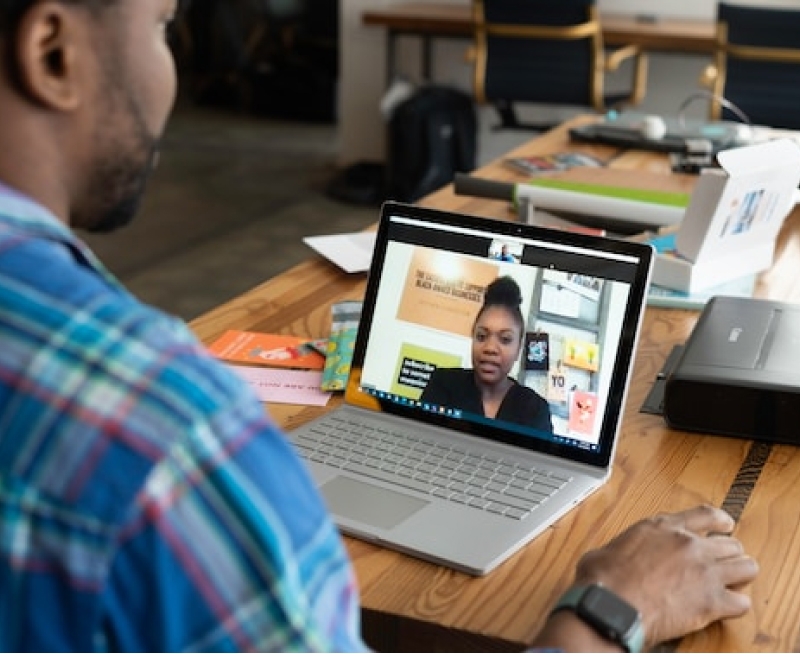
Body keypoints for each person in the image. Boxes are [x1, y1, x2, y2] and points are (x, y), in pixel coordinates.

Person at [0, 0, 758, 651]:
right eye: (163, 24)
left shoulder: (534, 409)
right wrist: (611, 609)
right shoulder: (164, 432)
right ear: (53, 53)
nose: (489, 348)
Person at [421, 276, 553, 433]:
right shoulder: (443, 384)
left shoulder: (535, 410)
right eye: (482, 336)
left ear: (518, 349)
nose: (490, 348)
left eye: (505, 339)